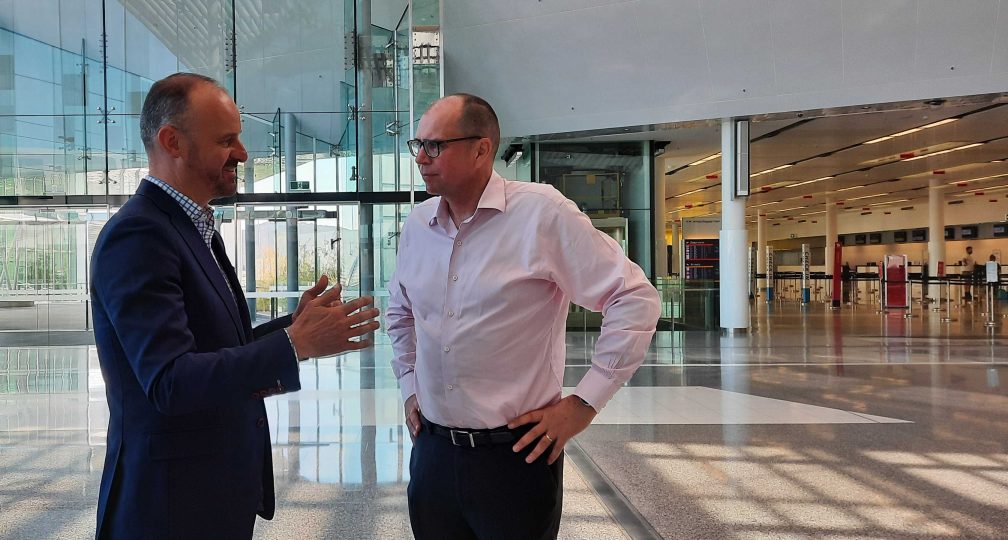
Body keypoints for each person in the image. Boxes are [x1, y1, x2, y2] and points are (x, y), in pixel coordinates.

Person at [90, 73, 380, 539]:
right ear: (173, 142)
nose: (243, 153)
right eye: (227, 140)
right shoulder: (140, 235)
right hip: (169, 508)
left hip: (205, 496)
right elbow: (169, 381)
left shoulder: (192, 228)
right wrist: (293, 344)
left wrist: (294, 327)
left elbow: (216, 347)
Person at [385, 94, 661, 539]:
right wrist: (409, 387)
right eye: (418, 144)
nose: (421, 157)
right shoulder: (419, 225)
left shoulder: (541, 214)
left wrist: (583, 404)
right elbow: (399, 311)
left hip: (515, 457)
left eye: (435, 146)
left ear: (482, 148)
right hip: (433, 452)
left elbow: (633, 297)